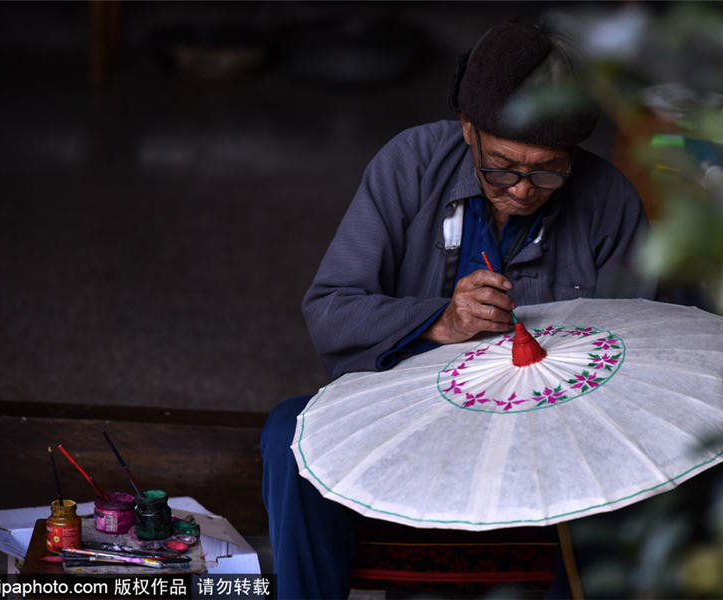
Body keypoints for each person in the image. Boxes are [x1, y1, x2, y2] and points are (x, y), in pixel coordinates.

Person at [261, 20, 654, 599]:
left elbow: (643, 349)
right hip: (411, 422)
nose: (523, 190)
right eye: (502, 166)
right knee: (287, 436)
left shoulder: (608, 201)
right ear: (468, 128)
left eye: (548, 169)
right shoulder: (411, 165)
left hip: (548, 445)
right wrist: (441, 320)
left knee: (632, 475)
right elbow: (331, 308)